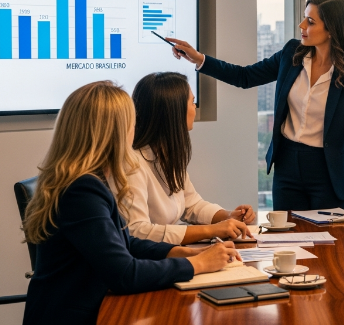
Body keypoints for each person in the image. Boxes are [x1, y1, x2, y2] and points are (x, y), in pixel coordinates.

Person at [21, 81, 239, 325]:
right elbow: (124, 274)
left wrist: (179, 252)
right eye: (132, 125)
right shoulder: (81, 191)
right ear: (114, 133)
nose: (135, 133)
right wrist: (195, 264)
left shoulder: (87, 181)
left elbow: (124, 241)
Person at [167, 0, 344, 213]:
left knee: (332, 250)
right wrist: (200, 59)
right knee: (287, 244)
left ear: (332, 29)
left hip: (330, 174)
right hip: (287, 168)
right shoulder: (292, 54)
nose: (302, 26)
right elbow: (245, 76)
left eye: (310, 22)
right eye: (304, 19)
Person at [109, 72, 257, 245]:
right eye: (192, 102)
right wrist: (211, 230)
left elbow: (192, 205)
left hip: (166, 254)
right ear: (174, 112)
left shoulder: (167, 156)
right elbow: (138, 231)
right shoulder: (131, 165)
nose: (195, 109)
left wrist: (228, 216)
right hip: (148, 261)